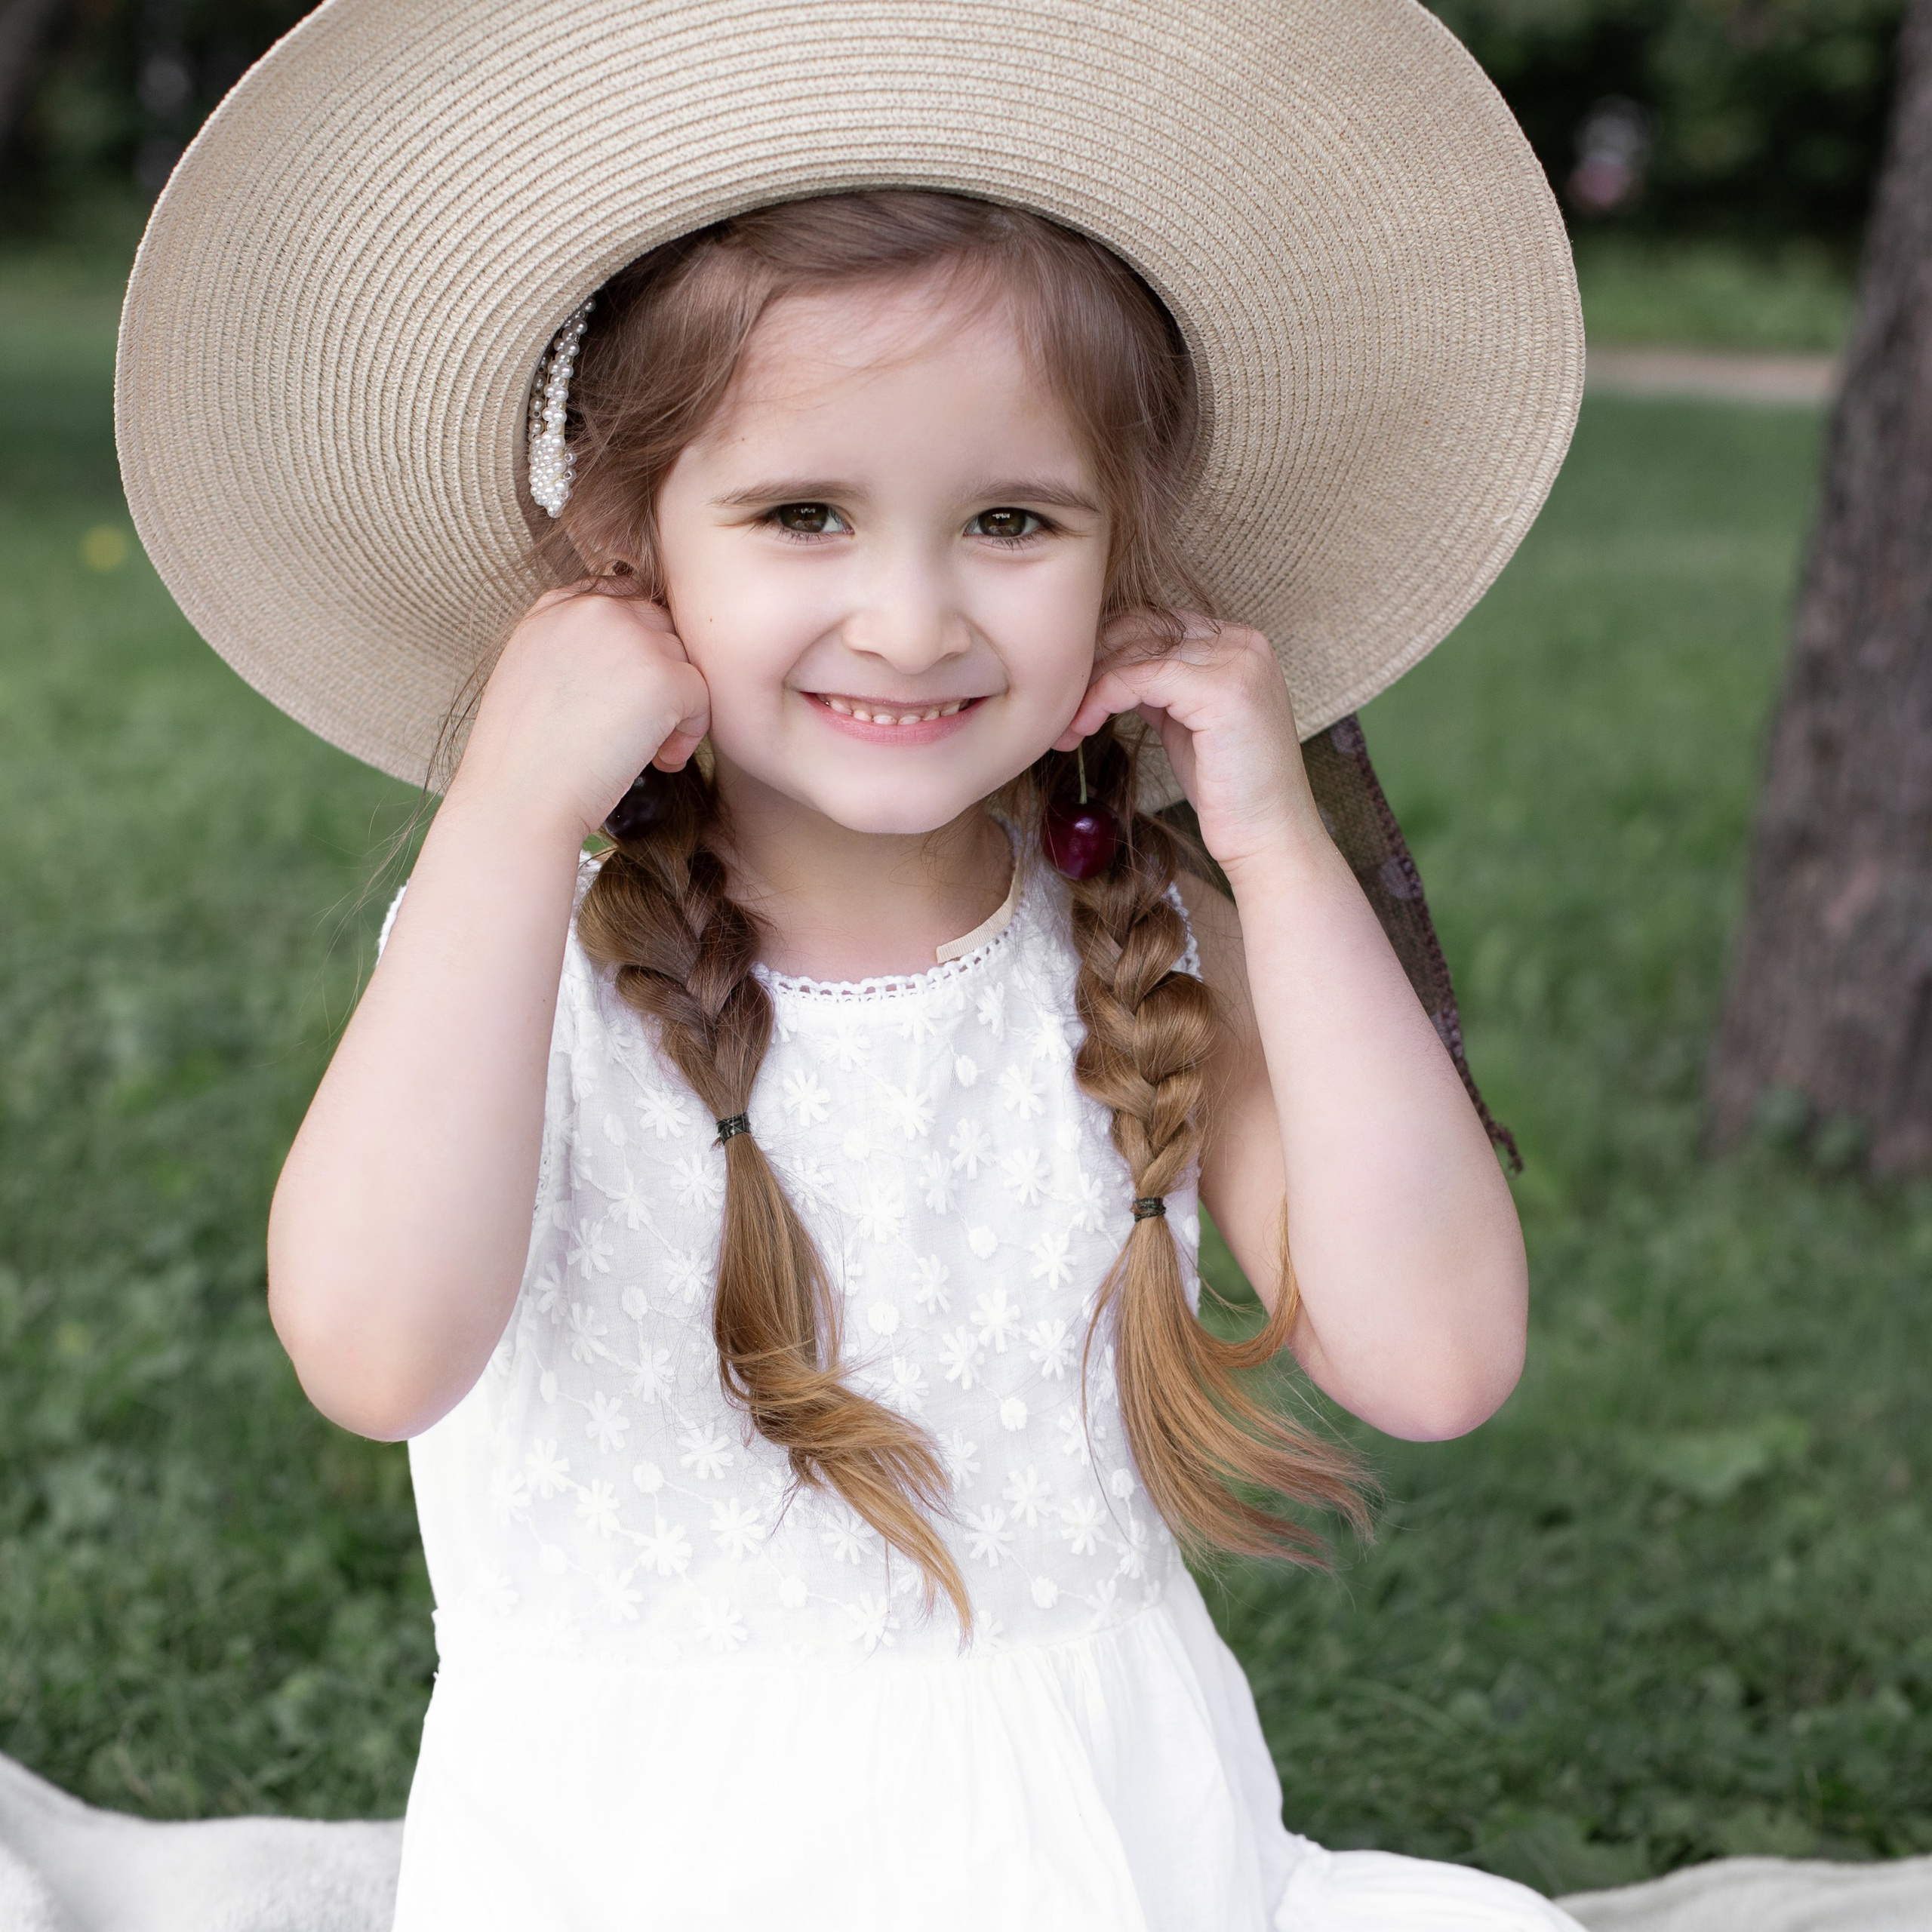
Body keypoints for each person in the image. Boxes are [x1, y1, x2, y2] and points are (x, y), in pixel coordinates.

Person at [115, 2, 1586, 1925]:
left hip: (1121, 1872)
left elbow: (1437, 1355)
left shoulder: (1159, 927)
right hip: (639, 1874)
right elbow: (379, 1352)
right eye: (802, 512)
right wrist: (500, 807)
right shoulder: (519, 945)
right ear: (623, 554)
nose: (908, 618)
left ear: (1124, 557)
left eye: (1009, 519)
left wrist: (1275, 849)